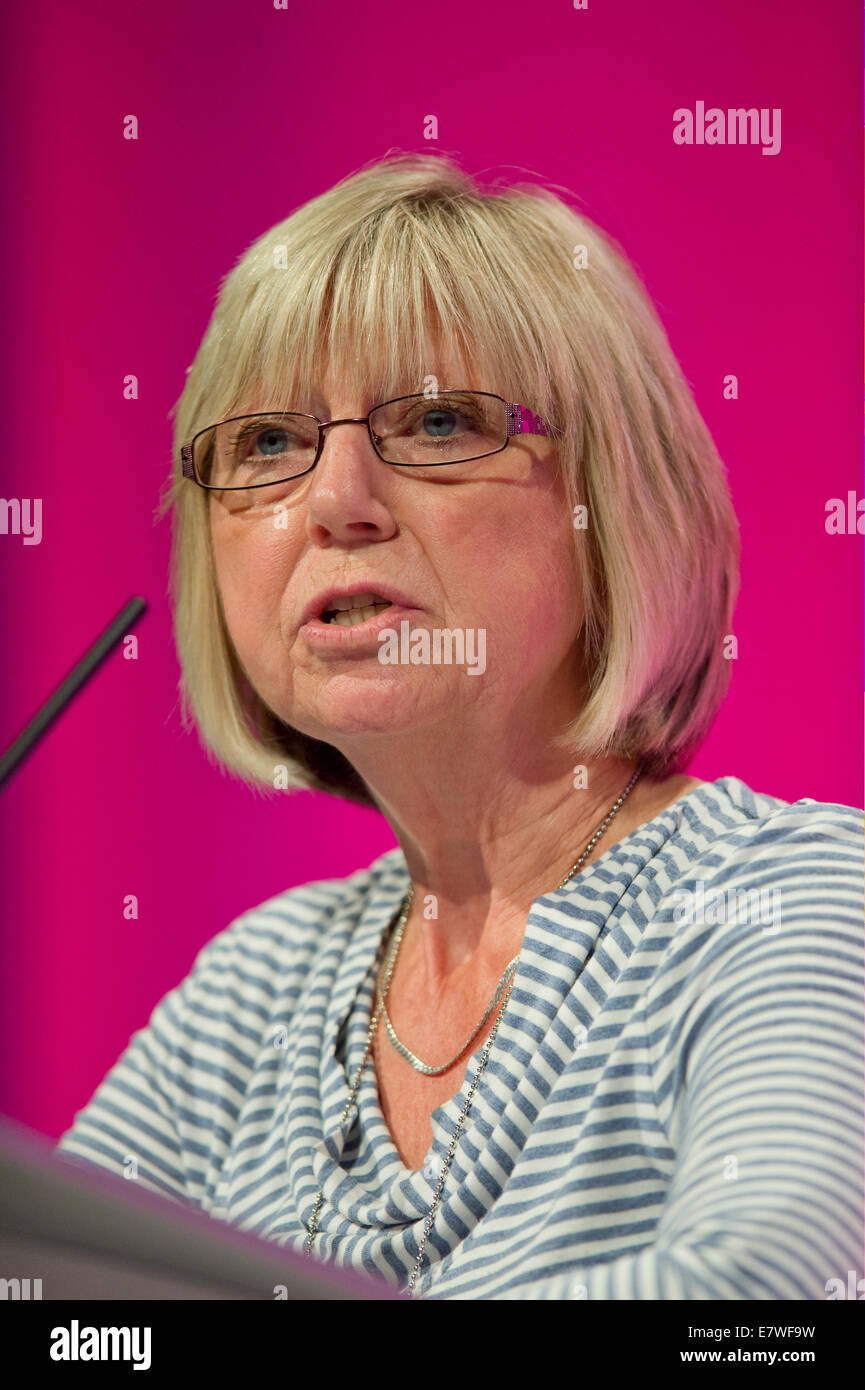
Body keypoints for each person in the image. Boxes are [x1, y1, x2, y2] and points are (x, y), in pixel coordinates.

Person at [57, 151, 864, 1300]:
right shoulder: (255, 992)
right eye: (269, 445)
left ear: (613, 501)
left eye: (438, 421)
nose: (335, 502)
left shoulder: (792, 903)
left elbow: (769, 1302)